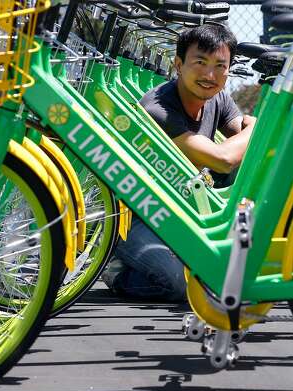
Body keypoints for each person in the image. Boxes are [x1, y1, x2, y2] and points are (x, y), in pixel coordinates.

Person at [101, 24, 256, 302]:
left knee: (217, 275)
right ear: (178, 64)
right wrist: (255, 127)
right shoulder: (158, 109)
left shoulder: (218, 98)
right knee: (182, 285)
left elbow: (242, 135)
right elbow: (223, 160)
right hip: (138, 217)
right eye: (200, 62)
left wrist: (250, 129)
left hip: (182, 212)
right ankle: (117, 271)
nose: (210, 75)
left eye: (220, 65)